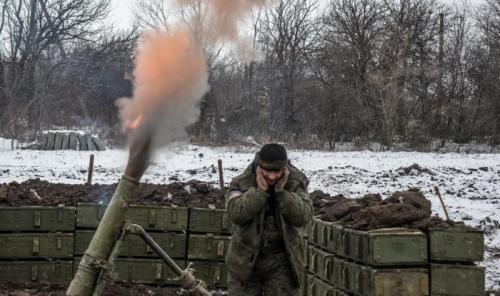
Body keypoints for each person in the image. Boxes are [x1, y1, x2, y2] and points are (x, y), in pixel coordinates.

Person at [225, 143, 313, 295]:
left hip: (282, 262)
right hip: (244, 263)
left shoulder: (295, 182)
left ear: (285, 168)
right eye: (267, 171)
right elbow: (235, 214)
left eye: (277, 172)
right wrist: (260, 192)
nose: (272, 177)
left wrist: (281, 193)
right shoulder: (242, 181)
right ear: (259, 166)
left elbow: (304, 215)